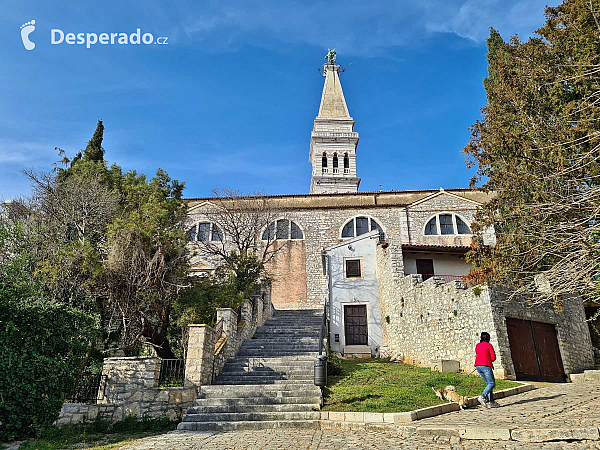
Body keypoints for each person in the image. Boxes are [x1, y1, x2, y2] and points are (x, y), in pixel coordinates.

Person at [475, 332, 499, 408]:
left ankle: (492, 402)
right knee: (492, 384)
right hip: (486, 366)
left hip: (478, 366)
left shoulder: (478, 345)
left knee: (489, 384)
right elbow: (493, 358)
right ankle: (482, 397)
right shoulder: (489, 345)